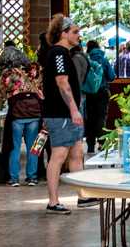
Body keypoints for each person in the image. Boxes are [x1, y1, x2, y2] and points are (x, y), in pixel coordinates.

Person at [41, 15, 96, 214]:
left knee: (76, 153)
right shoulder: (58, 53)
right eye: (74, 32)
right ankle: (53, 201)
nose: (78, 36)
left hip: (69, 113)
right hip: (60, 113)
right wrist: (73, 109)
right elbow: (62, 82)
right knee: (59, 155)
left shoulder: (65, 53)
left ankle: (83, 196)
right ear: (63, 33)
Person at [0, 50, 42, 187]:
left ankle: (14, 178)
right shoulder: (30, 71)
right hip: (34, 114)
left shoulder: (6, 75)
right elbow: (40, 91)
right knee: (33, 147)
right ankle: (32, 177)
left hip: (17, 115)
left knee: (15, 147)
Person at [82, 40, 115, 153]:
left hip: (89, 93)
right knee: (101, 118)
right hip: (102, 92)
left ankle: (90, 145)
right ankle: (102, 144)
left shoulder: (86, 60)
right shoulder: (104, 60)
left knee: (90, 118)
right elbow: (111, 77)